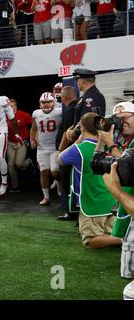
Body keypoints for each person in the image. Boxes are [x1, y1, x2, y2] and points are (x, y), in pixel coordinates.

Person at [58, 112, 121, 249]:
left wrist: (78, 139)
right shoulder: (109, 146)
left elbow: (60, 158)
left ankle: (125, 240)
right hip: (111, 200)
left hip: (92, 202)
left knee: (90, 240)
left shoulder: (79, 149)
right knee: (109, 233)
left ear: (82, 127)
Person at [98, 101, 134, 279]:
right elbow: (98, 165)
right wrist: (103, 140)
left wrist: (111, 145)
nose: (121, 123)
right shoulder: (125, 141)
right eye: (117, 119)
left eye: (125, 117)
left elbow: (126, 171)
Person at [31, 92, 62, 205]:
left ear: (53, 102)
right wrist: (32, 140)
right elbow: (33, 129)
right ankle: (46, 197)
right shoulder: (36, 113)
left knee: (54, 171)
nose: (46, 104)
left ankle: (58, 183)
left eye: (48, 101)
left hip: (55, 147)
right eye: (44, 102)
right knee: (43, 172)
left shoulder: (60, 112)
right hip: (42, 148)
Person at [56, 86, 78, 220]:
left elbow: (67, 133)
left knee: (67, 181)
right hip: (72, 151)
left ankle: (72, 212)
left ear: (64, 98)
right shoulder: (75, 108)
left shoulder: (70, 110)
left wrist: (61, 151)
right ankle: (73, 211)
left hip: (68, 151)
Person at [7, 98, 33, 192]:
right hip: (10, 143)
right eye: (9, 106)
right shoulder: (5, 116)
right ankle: (15, 186)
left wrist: (33, 138)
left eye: (12, 106)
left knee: (18, 163)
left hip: (21, 142)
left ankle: (29, 162)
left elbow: (34, 125)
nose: (11, 108)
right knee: (11, 165)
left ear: (16, 106)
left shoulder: (23, 115)